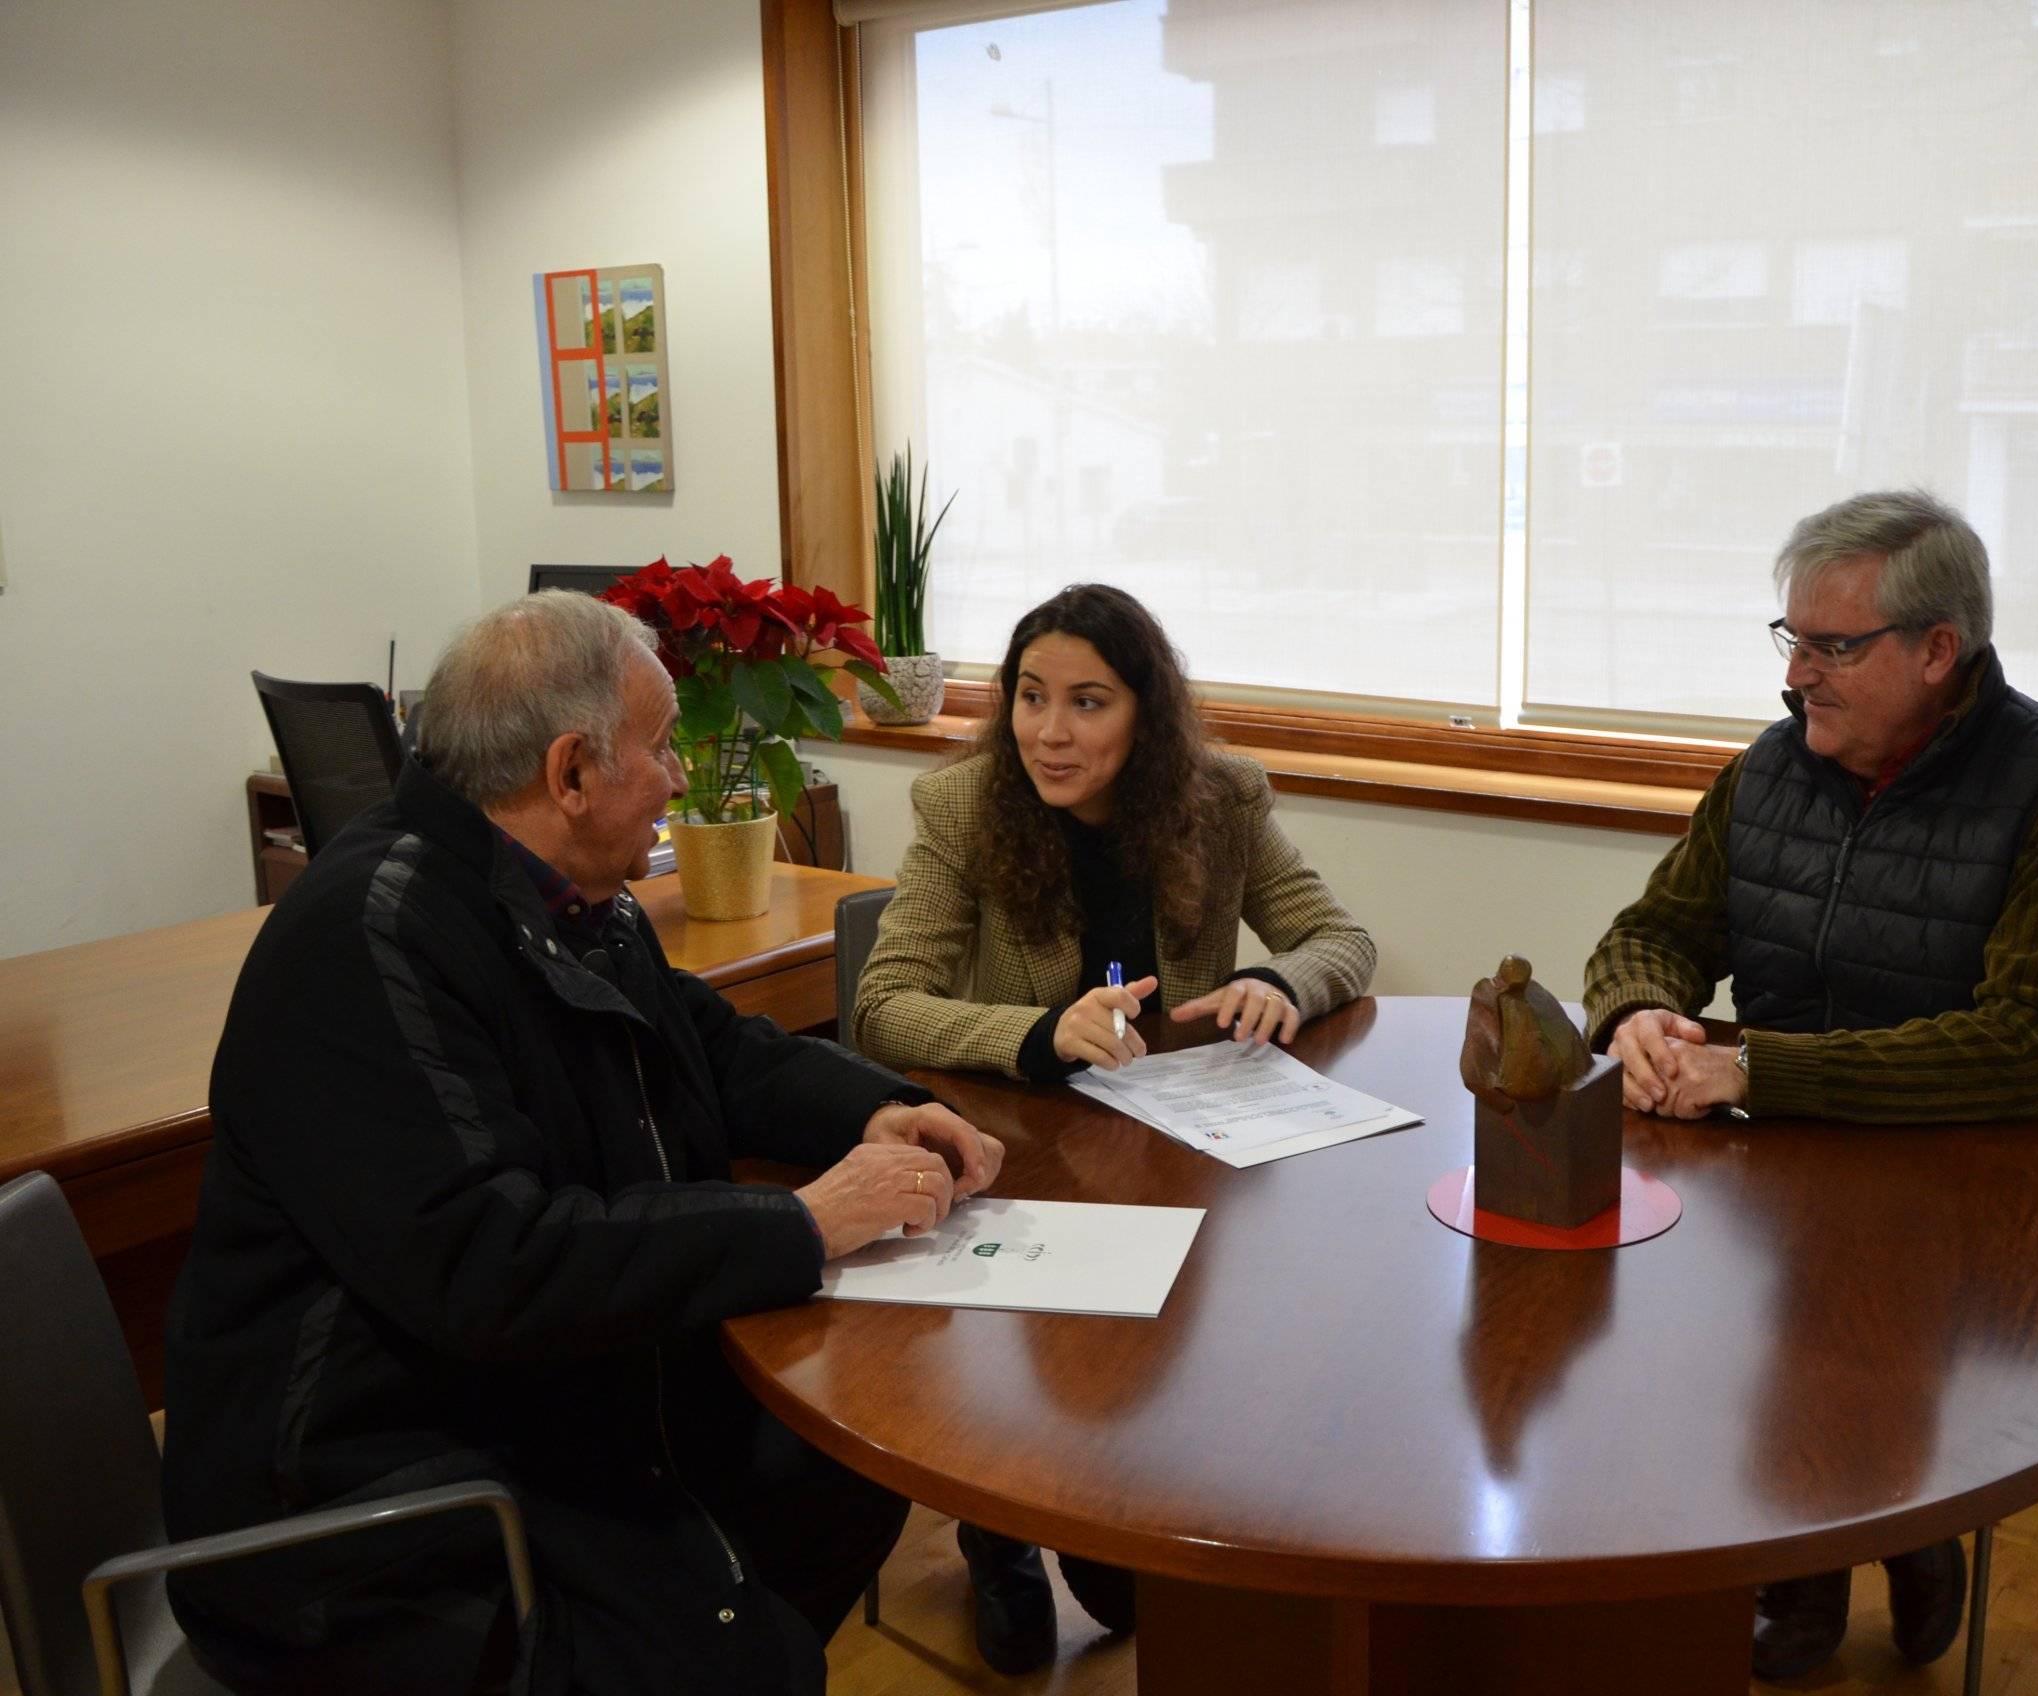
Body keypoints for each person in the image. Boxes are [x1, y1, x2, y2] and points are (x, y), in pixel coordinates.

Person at [161, 591, 1004, 1696]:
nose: (674, 777)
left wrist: (872, 1107)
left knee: (833, 1475)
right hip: (371, 1512)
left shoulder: (558, 894)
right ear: (569, 773)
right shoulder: (365, 938)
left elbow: (709, 1047)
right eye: (657, 749)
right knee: (736, 1656)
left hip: (537, 1403)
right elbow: (490, 1262)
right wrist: (802, 1219)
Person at [1581, 488, 2038, 1682]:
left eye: (1831, 647)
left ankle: (1882, 1528)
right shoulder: (1775, 767)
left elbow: (2026, 1045)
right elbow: (1655, 927)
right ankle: (1815, 1545)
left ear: (1939, 651)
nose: (1796, 677)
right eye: (1787, 639)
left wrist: (1756, 1068)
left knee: (1838, 1307)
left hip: (2004, 1166)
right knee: (1633, 1293)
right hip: (1791, 1139)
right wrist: (1639, 1010)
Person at [852, 581, 1376, 1672]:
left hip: (1177, 1145)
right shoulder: (963, 809)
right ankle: (998, 1533)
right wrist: (1040, 1029)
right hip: (1020, 1141)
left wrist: (1282, 980)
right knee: (1020, 1366)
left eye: (1087, 702)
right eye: (1030, 697)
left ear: (1146, 713)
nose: (1050, 730)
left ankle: (1115, 1503)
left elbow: (1338, 937)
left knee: (1167, 1360)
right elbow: (885, 1000)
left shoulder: (1219, 797)